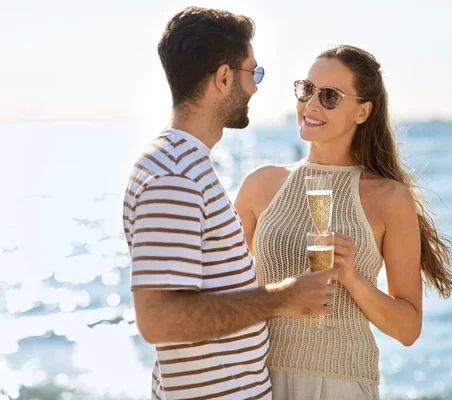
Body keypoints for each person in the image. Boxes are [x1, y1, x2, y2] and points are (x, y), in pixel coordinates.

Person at [122, 7, 337, 400]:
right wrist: (284, 298)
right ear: (223, 78)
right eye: (252, 73)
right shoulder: (174, 175)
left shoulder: (186, 164)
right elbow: (159, 320)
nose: (256, 87)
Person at [234, 45, 452, 399]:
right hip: (257, 380)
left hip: (342, 385)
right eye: (306, 89)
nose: (310, 105)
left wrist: (353, 279)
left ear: (362, 111)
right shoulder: (260, 185)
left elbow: (408, 328)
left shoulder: (390, 198)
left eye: (329, 96)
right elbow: (225, 291)